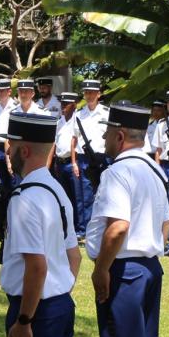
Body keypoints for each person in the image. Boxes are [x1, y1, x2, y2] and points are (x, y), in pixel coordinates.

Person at [86, 103, 169, 337]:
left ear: (120, 136)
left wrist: (102, 268)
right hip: (148, 267)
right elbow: (165, 225)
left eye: (108, 133)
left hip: (124, 272)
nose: (104, 138)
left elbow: (118, 226)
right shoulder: (153, 170)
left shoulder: (118, 171)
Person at [0, 113, 80, 337]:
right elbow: (72, 255)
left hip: (34, 314)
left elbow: (37, 267)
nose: (7, 150)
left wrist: (25, 320)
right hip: (57, 305)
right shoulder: (56, 190)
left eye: (12, 145)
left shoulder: (24, 199)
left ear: (26, 150)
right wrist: (60, 291)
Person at [69, 79, 109, 238]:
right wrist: (73, 162)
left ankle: (102, 228)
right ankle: (85, 230)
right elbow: (74, 139)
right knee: (85, 197)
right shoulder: (78, 115)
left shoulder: (106, 112)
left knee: (104, 194)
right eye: (86, 93)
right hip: (83, 158)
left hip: (102, 158)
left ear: (98, 94)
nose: (89, 95)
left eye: (92, 92)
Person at [52, 92, 80, 215]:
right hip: (60, 163)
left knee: (77, 197)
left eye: (66, 104)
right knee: (63, 196)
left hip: (72, 163)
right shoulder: (60, 122)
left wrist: (75, 163)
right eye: (62, 103)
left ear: (74, 105)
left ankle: (79, 228)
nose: (63, 106)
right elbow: (55, 143)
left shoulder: (78, 119)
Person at [0, 79, 18, 192]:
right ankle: (4, 208)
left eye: (3, 91)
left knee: (14, 180)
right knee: (2, 181)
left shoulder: (16, 108)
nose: (0, 93)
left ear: (9, 91)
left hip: (12, 148)